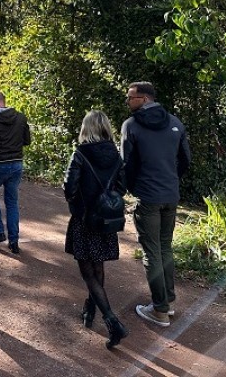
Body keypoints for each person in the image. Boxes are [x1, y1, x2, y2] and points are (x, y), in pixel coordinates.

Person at [121, 81, 191, 328]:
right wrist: (170, 180)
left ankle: (159, 309)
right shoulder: (175, 122)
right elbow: (185, 159)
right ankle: (167, 301)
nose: (127, 101)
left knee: (152, 251)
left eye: (130, 97)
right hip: (170, 194)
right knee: (165, 247)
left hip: (148, 197)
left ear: (144, 98)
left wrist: (132, 188)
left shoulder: (131, 125)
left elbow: (126, 163)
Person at [64, 110, 128, 349]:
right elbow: (122, 186)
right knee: (98, 266)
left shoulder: (80, 154)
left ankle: (112, 322)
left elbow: (69, 187)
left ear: (86, 128)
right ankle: (89, 309)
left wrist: (78, 203)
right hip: (106, 219)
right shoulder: (116, 155)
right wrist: (107, 201)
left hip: (84, 218)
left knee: (88, 272)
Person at [0, 91, 31, 254]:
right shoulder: (21, 118)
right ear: (4, 101)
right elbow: (27, 141)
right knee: (11, 201)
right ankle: (14, 241)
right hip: (16, 163)